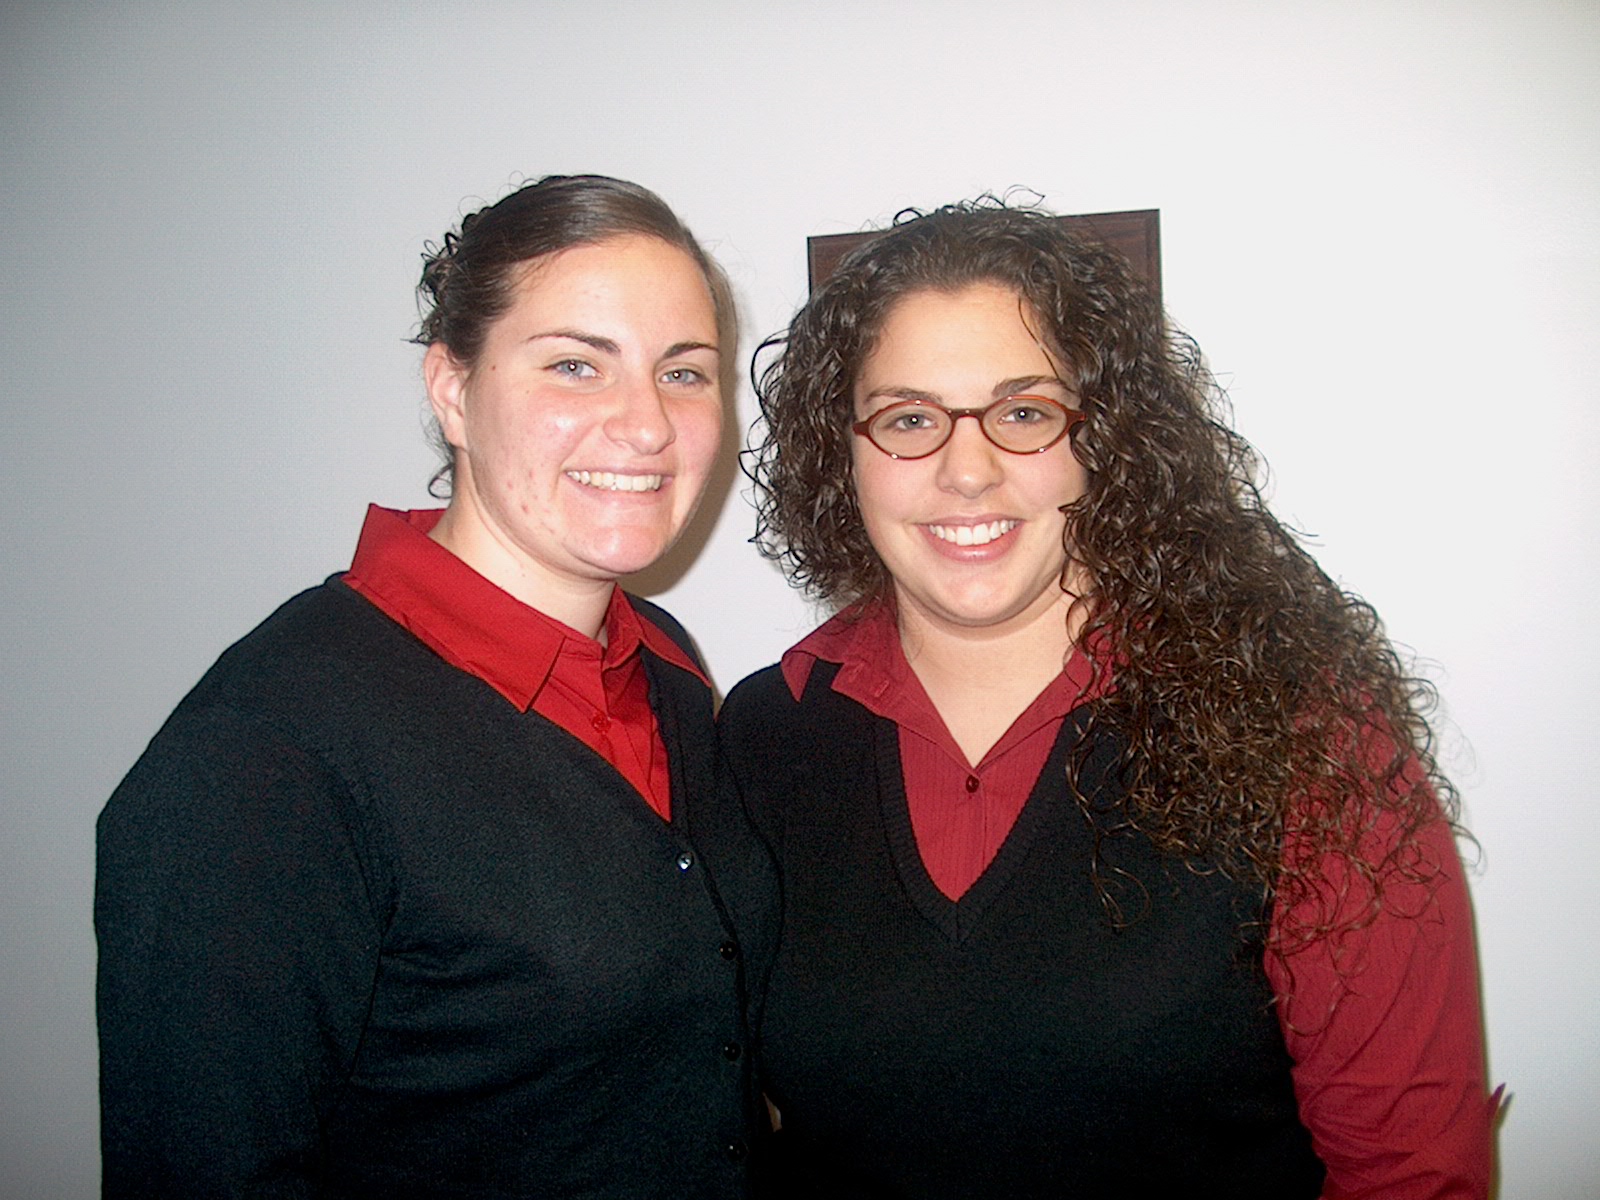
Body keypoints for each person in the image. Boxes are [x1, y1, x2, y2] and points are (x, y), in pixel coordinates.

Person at [722, 199, 1495, 1198]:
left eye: (1025, 412)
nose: (967, 470)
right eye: (908, 418)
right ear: (845, 453)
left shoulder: (1302, 733)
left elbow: (1410, 1171)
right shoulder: (763, 734)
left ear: (1108, 439)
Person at [96, 174, 771, 1198]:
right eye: (576, 365)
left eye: (683, 372)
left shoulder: (664, 663)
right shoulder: (268, 752)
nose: (646, 425)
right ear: (452, 390)